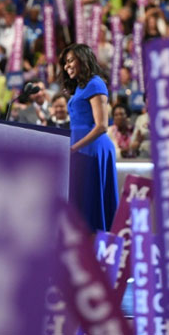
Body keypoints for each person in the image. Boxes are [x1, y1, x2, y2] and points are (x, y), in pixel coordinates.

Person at [60, 44, 118, 231]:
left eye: (70, 61)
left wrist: (73, 148)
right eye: (65, 63)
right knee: (82, 210)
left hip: (91, 151)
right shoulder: (80, 87)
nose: (66, 66)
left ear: (82, 59)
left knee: (91, 212)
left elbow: (101, 125)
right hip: (80, 150)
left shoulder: (95, 83)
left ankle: (96, 256)